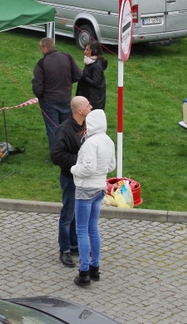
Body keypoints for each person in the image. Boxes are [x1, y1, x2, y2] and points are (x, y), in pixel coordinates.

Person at [70, 108, 116, 287]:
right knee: (93, 228)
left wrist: (74, 169)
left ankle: (84, 272)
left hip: (86, 189)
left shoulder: (90, 143)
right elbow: (111, 165)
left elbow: (87, 168)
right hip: (100, 188)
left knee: (82, 231)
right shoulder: (108, 140)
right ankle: (95, 267)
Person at [50, 96, 92, 268]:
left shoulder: (86, 125)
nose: (91, 107)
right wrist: (80, 161)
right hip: (70, 178)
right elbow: (56, 155)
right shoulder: (65, 130)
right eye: (88, 105)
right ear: (79, 110)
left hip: (82, 179)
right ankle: (65, 249)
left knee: (77, 213)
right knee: (67, 215)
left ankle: (74, 244)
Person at [32, 37, 82, 149]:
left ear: (45, 48)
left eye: (41, 48)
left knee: (53, 129)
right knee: (66, 127)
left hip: (48, 101)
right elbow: (78, 75)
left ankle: (56, 154)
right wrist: (67, 82)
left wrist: (41, 96)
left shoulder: (42, 63)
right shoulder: (67, 57)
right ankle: (67, 151)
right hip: (65, 98)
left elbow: (37, 86)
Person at [76, 41, 107, 111]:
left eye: (87, 50)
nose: (85, 52)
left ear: (94, 51)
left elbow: (95, 83)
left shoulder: (97, 66)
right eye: (85, 49)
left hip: (93, 101)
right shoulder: (90, 62)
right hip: (87, 96)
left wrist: (82, 76)